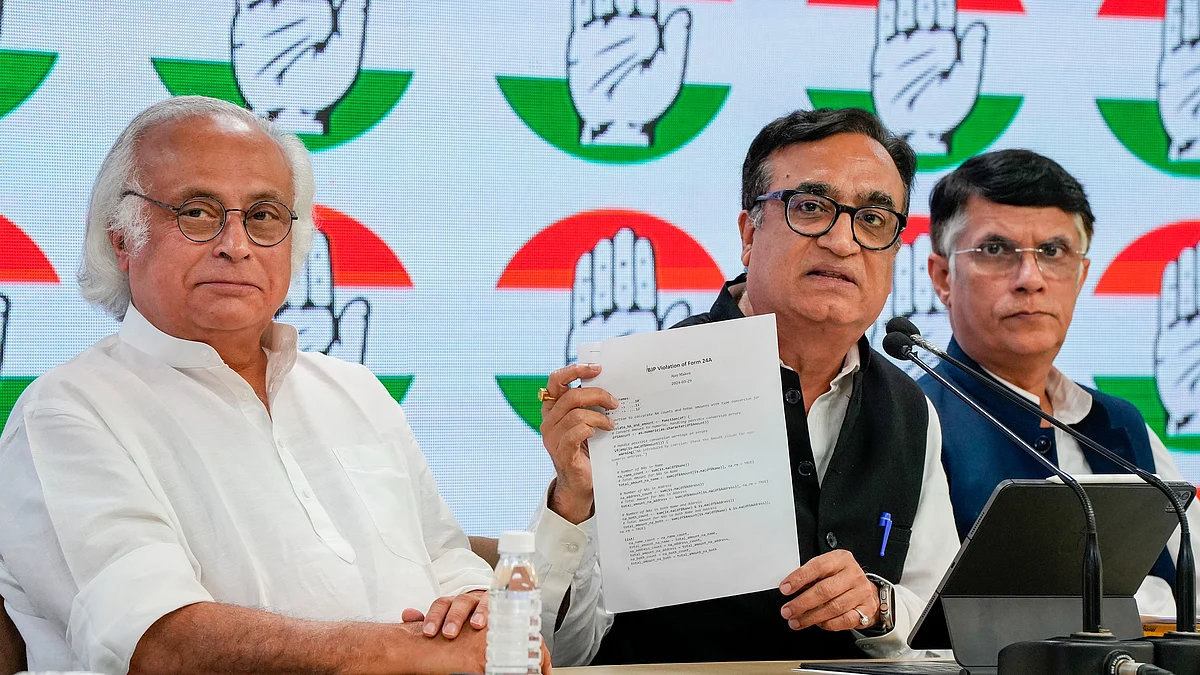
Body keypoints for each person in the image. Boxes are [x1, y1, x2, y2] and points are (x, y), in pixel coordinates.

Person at [0, 96, 510, 675]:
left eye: (264, 215)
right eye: (197, 211)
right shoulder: (67, 412)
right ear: (122, 238)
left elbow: (445, 557)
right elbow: (157, 642)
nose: (235, 245)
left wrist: (479, 614)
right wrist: (405, 653)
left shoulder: (355, 390)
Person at [531, 108, 960, 665]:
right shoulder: (642, 387)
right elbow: (557, 650)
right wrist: (572, 502)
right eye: (810, 207)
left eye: (874, 219)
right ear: (748, 232)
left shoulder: (909, 409)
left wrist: (878, 608)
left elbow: (943, 636)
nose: (842, 240)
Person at [920, 148, 1200, 617]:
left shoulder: (1122, 425)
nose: (1030, 279)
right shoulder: (911, 418)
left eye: (1053, 252)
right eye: (995, 250)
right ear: (943, 277)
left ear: (1081, 273)